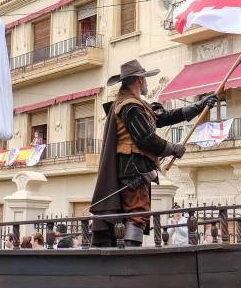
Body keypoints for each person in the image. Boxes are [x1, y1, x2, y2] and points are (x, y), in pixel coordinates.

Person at [90, 60, 215, 247]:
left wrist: (198, 107)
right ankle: (131, 256)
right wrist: (173, 148)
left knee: (135, 213)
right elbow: (145, 139)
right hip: (133, 168)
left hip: (133, 168)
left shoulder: (136, 104)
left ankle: (127, 253)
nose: (146, 82)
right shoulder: (130, 106)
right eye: (145, 79)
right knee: (137, 213)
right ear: (139, 80)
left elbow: (163, 117)